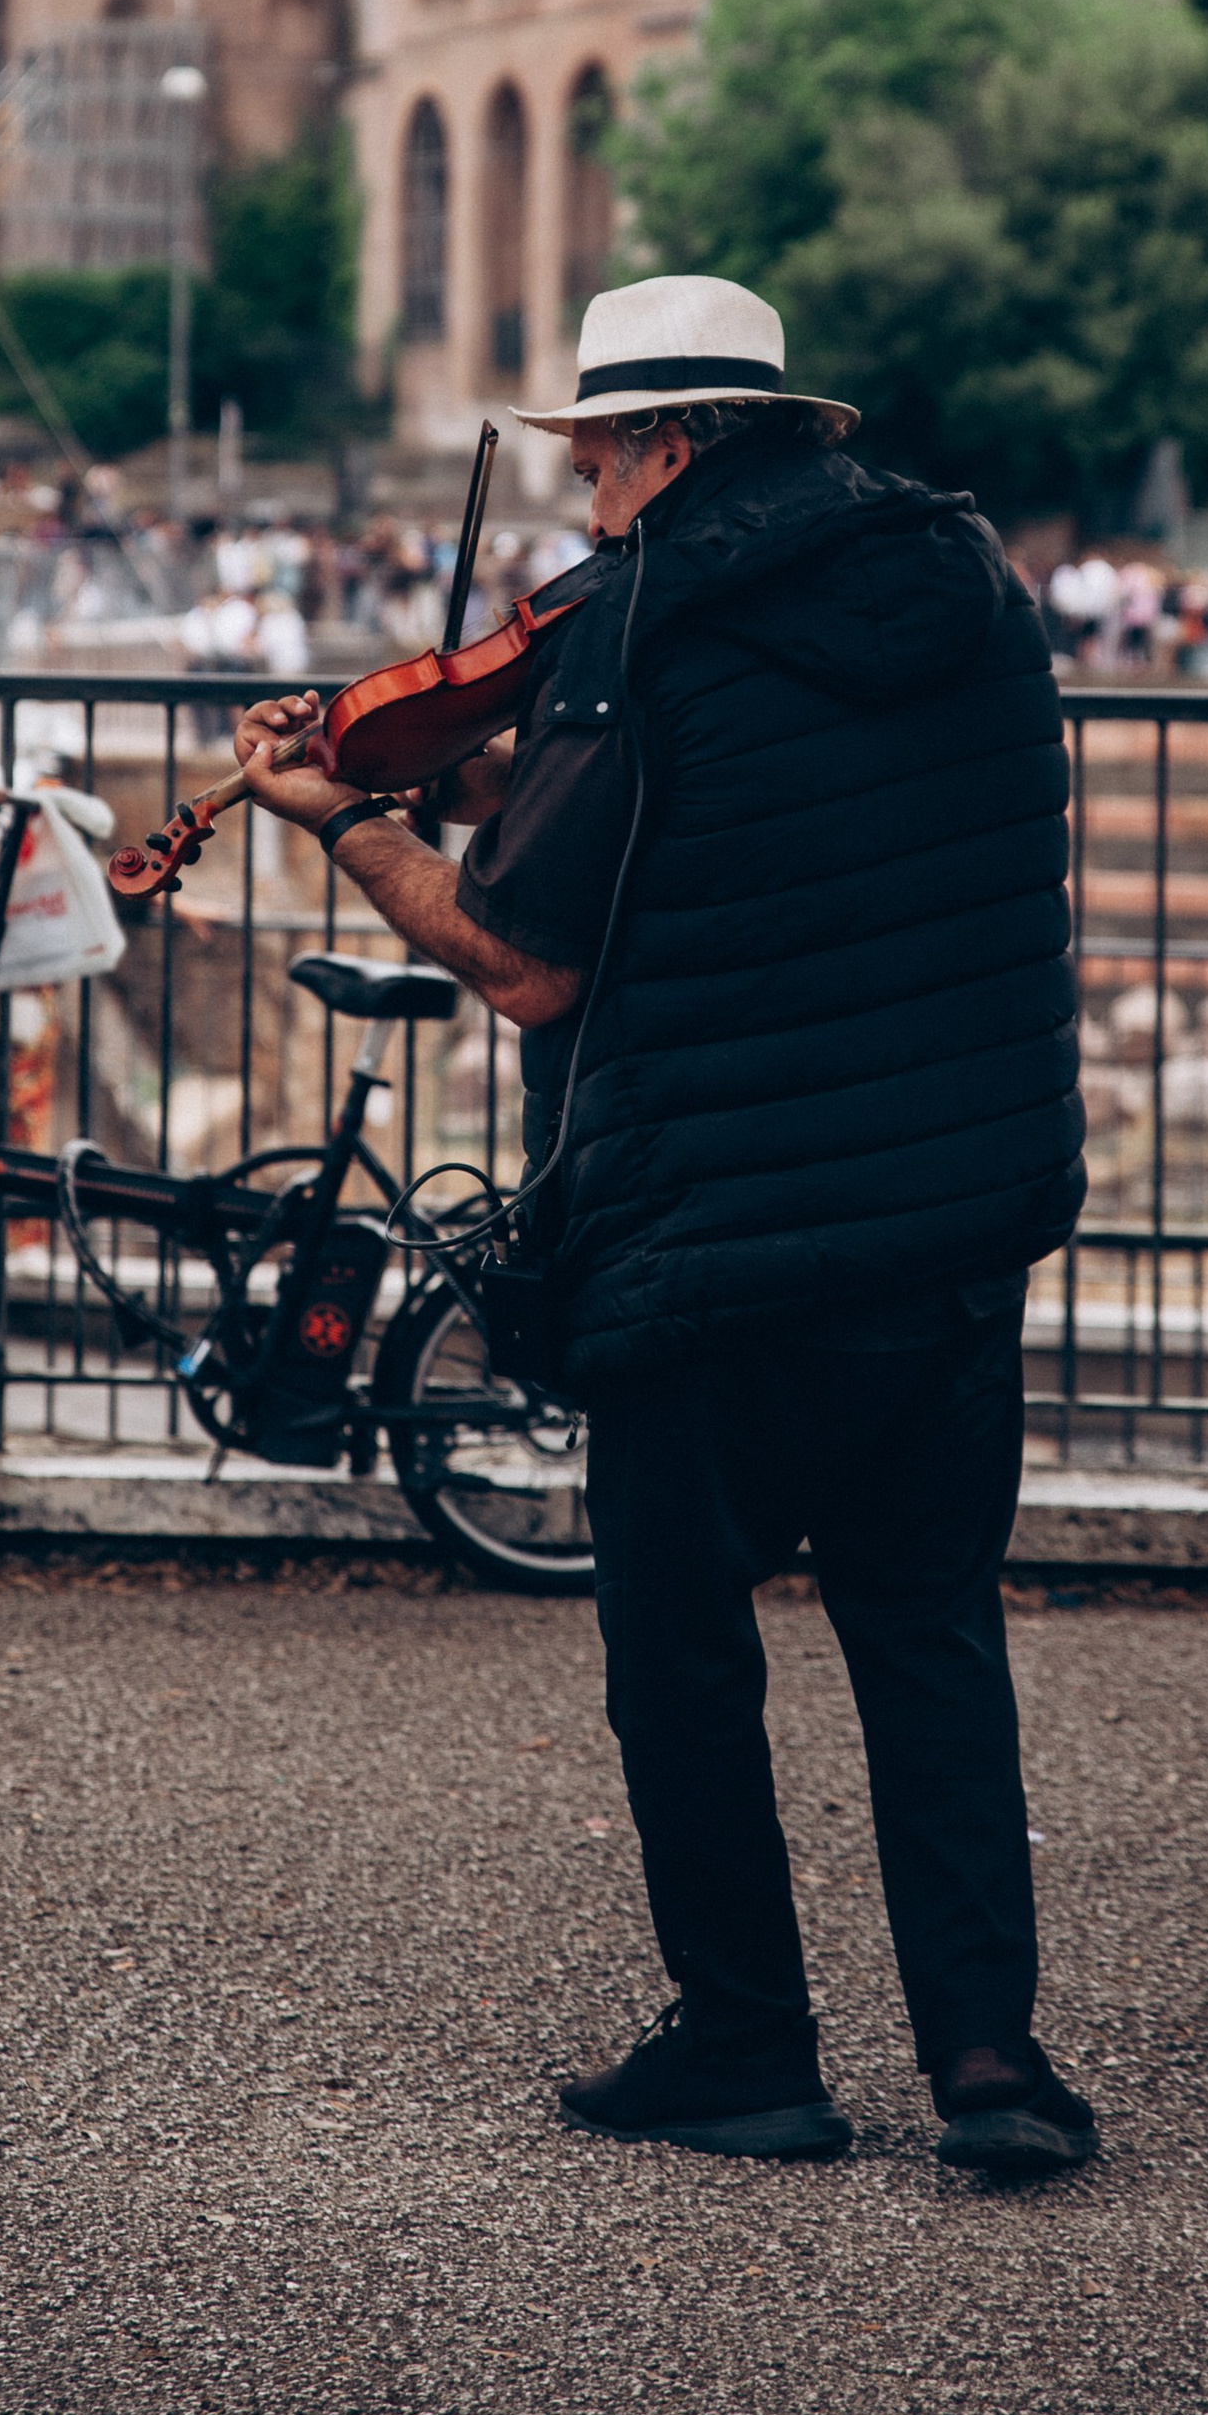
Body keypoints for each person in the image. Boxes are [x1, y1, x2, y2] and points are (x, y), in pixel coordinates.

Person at [231, 273, 1094, 2180]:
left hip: (712, 1242)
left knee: (684, 1655)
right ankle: (990, 2062)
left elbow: (522, 961)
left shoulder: (646, 622)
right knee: (930, 1636)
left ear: (677, 447)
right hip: (948, 1223)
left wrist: (344, 824)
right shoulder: (974, 599)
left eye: (602, 463)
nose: (583, 509)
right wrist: (487, 761)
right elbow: (765, 820)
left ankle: (749, 2049)